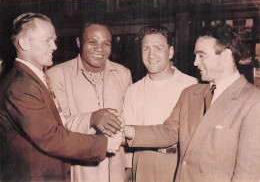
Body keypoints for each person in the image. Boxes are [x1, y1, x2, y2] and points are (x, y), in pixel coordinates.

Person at [124, 24, 260, 182]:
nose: (195, 62)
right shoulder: (191, 93)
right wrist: (125, 130)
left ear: (225, 56)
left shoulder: (253, 102)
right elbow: (168, 132)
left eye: (201, 56)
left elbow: (248, 173)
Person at [0, 13, 122, 182]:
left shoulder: (33, 78)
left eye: (54, 40)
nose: (54, 47)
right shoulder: (20, 86)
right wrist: (103, 144)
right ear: (23, 43)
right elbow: (51, 137)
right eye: (47, 40)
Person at [47, 22, 132, 182]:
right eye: (92, 42)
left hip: (116, 168)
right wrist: (91, 119)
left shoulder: (123, 73)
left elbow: (129, 122)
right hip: (79, 169)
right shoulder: (57, 75)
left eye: (106, 43)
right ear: (79, 42)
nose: (99, 49)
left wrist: (128, 166)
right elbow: (57, 127)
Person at [123, 25, 197, 182]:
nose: (151, 55)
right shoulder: (133, 91)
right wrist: (129, 168)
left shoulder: (191, 85)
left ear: (170, 52)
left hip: (178, 162)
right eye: (146, 49)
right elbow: (128, 138)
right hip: (143, 162)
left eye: (158, 48)